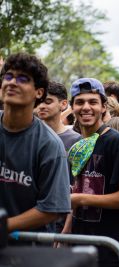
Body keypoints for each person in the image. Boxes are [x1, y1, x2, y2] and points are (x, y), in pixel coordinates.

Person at [65, 78, 119, 267]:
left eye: (93, 102)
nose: (86, 107)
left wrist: (81, 199)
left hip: (110, 250)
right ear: (72, 107)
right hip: (79, 246)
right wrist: (66, 232)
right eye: (80, 102)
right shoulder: (78, 145)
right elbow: (75, 190)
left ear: (104, 107)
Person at [0, 53, 71, 232]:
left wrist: (4, 226)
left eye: (23, 79)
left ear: (38, 92)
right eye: (8, 76)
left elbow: (51, 208)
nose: (12, 82)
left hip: (26, 251)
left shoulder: (49, 145)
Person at [37, 81, 81, 151]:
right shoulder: (30, 136)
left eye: (48, 101)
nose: (41, 106)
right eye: (39, 102)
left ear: (63, 104)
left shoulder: (75, 140)